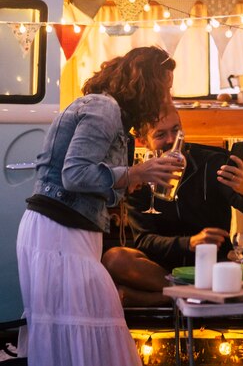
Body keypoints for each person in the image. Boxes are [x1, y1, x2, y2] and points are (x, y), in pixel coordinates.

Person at [15, 46, 182, 366]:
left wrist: (135, 179)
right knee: (90, 324)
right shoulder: (103, 109)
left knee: (77, 332)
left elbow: (101, 187)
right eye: (165, 86)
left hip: (63, 229)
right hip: (58, 231)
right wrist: (134, 172)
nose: (167, 95)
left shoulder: (113, 117)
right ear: (146, 84)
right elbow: (75, 174)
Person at [102, 103, 243, 307]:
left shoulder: (212, 161)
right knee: (114, 258)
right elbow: (145, 240)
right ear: (144, 141)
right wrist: (190, 242)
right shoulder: (138, 179)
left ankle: (163, 297)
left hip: (211, 264)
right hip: (161, 270)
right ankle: (187, 294)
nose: (171, 140)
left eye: (176, 130)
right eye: (160, 135)